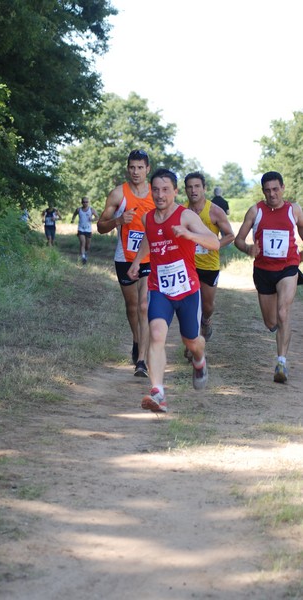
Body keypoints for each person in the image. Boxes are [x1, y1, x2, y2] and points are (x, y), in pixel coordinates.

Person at [128, 168, 220, 413]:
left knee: (191, 341)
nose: (160, 195)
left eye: (166, 189)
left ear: (175, 191)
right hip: (160, 289)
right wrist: (138, 261)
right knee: (157, 334)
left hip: (188, 291)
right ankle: (158, 392)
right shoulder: (148, 218)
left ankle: (199, 360)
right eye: (155, 189)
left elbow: (214, 242)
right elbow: (150, 238)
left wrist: (189, 234)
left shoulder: (186, 216)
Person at [234, 171, 303, 384]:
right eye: (268, 190)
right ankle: (278, 334)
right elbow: (238, 240)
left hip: (288, 268)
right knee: (271, 321)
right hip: (263, 271)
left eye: (275, 189)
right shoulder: (256, 211)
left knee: (283, 313)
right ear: (263, 191)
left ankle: (281, 361)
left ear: (283, 188)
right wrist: (248, 249)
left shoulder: (295, 210)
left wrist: (299, 257)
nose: (272, 194)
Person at [97, 149, 155, 377]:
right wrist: (119, 220)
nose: (136, 172)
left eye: (140, 167)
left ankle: (142, 360)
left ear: (148, 169)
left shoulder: (156, 193)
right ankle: (136, 339)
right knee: (132, 307)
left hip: (150, 257)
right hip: (124, 257)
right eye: (132, 167)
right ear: (127, 168)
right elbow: (101, 227)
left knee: (143, 306)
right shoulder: (118, 194)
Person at [184, 172, 235, 343]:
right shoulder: (181, 211)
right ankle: (192, 342)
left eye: (197, 186)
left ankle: (206, 321)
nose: (193, 190)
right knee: (190, 307)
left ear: (204, 189)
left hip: (209, 265)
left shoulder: (215, 211)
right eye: (190, 187)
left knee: (207, 306)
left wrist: (214, 245)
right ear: (185, 190)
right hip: (187, 266)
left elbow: (230, 235)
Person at [71, 197, 99, 264]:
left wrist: (92, 219)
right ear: (82, 202)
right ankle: (83, 257)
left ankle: (85, 254)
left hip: (88, 229)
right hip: (81, 229)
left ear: (88, 202)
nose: (85, 203)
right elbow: (74, 215)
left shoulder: (91, 210)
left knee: (87, 246)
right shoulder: (78, 210)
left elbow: (97, 217)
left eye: (86, 202)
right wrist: (73, 220)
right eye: (84, 202)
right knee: (82, 243)